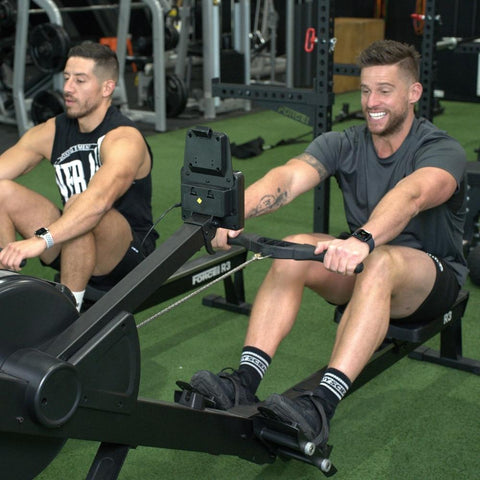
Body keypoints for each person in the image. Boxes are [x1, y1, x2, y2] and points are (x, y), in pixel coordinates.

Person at [186, 40, 468, 445]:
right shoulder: (345, 143)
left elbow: (413, 196)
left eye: (385, 90)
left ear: (413, 93)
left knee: (383, 261)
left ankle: (321, 406)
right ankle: (245, 381)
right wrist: (232, 215)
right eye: (366, 89)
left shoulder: (441, 149)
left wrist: (363, 239)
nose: (372, 101)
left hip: (428, 279)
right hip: (364, 263)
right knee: (295, 245)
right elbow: (288, 177)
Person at [0, 42, 158, 311]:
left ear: (107, 88)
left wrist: (41, 240)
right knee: (2, 191)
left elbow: (97, 202)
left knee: (80, 204)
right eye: (66, 78)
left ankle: (67, 315)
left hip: (125, 257)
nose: (68, 88)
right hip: (71, 244)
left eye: (80, 80)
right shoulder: (53, 131)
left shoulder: (123, 138)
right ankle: (7, 287)